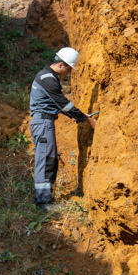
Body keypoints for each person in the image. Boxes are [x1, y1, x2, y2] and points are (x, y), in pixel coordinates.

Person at [28, 47, 96, 209]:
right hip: (43, 123)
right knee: (45, 160)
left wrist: (81, 115)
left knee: (49, 160)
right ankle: (43, 203)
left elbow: (59, 105)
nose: (68, 74)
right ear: (60, 65)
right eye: (68, 69)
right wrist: (86, 120)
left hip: (45, 122)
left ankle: (45, 199)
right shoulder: (48, 79)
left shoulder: (48, 77)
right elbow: (63, 105)